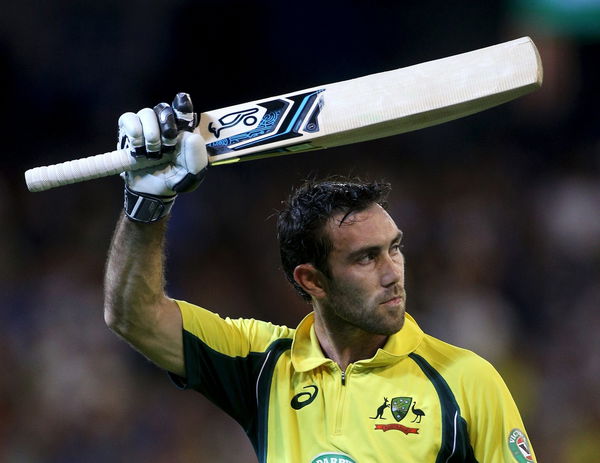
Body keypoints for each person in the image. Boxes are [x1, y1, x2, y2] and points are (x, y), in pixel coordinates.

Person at [104, 94, 537, 463]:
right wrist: (145, 207)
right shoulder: (263, 364)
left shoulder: (466, 381)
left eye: (395, 248)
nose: (392, 274)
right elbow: (133, 317)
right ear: (312, 281)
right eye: (366, 259)